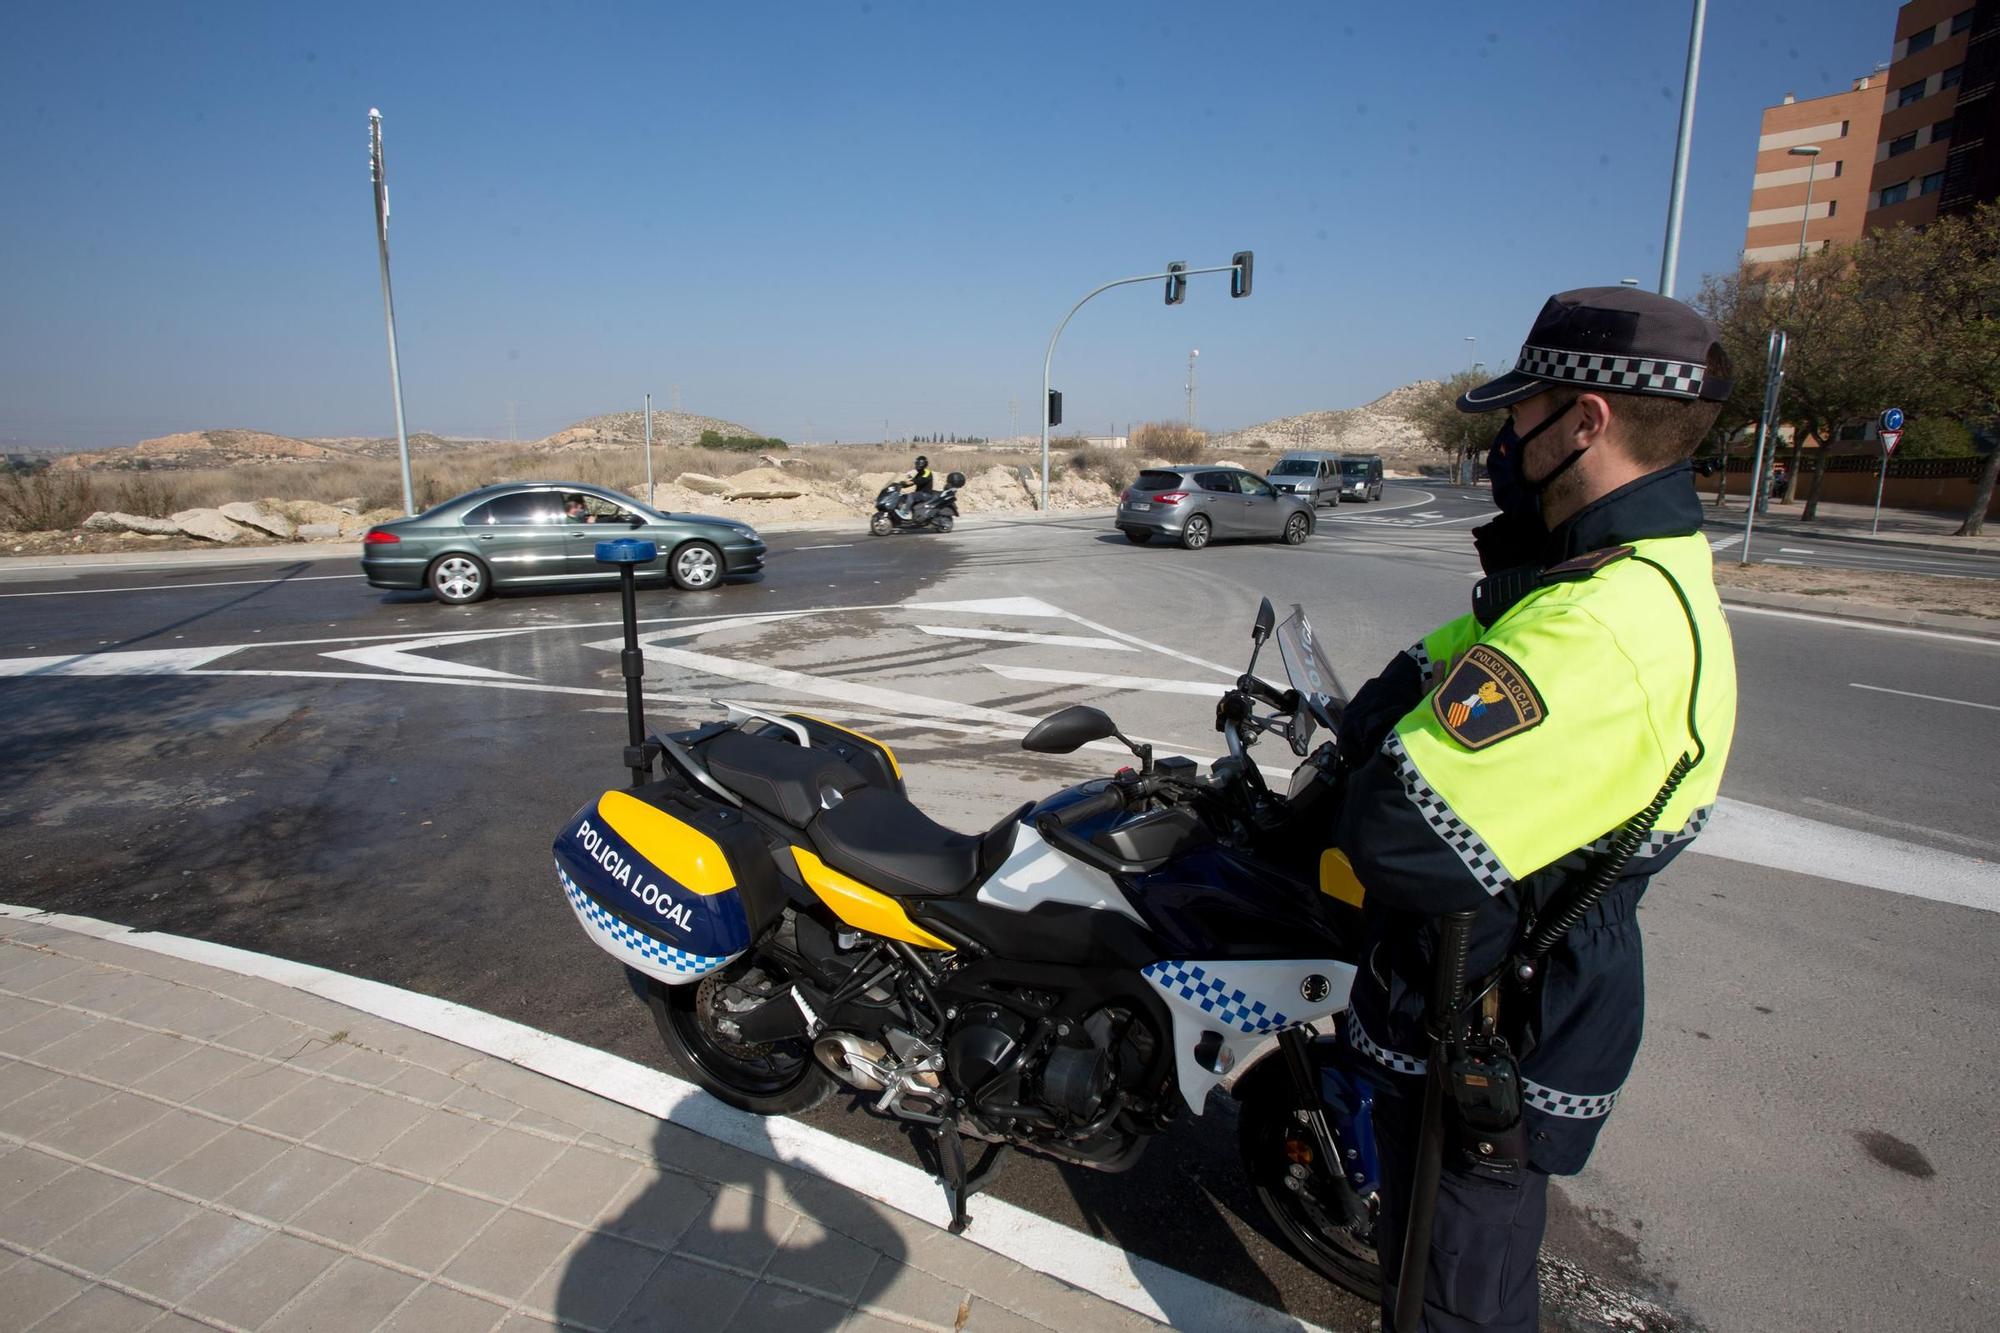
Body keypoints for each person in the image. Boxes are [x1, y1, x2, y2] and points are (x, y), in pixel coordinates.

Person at [1325, 287, 1739, 1332]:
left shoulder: (1597, 625)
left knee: (1451, 1283)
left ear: (1585, 422)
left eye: (1520, 414)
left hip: (1499, 1004)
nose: (1503, 438)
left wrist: (1381, 750)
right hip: (1507, 974)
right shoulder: (1608, 569)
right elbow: (1411, 676)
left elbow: (1397, 829)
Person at [896, 455, 934, 519]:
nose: (916, 466)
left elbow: (921, 480)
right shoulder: (919, 473)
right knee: (903, 496)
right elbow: (912, 482)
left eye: (918, 464)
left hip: (926, 494)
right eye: (916, 464)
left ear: (922, 464)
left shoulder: (927, 472)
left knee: (911, 495)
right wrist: (902, 485)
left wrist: (912, 482)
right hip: (920, 493)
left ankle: (905, 513)